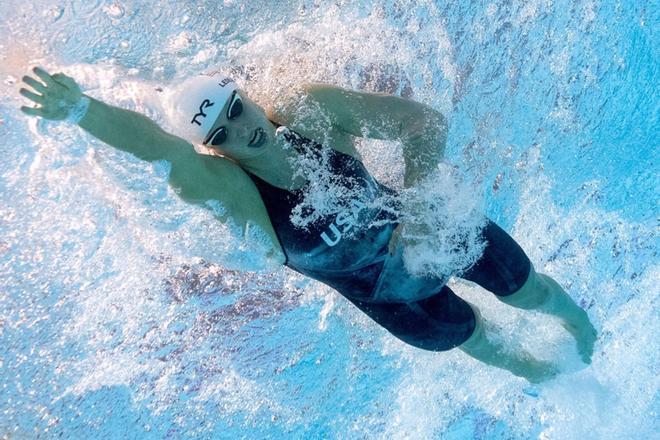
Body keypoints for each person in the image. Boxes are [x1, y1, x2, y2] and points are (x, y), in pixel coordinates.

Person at [19, 67, 597, 383]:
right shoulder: (234, 191)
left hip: (426, 232)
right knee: (484, 343)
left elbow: (422, 124)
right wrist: (80, 110)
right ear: (216, 152)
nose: (241, 132)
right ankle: (564, 383)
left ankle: (588, 337)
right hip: (389, 297)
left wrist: (419, 209)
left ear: (246, 96)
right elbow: (158, 149)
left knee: (535, 291)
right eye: (221, 136)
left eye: (236, 111)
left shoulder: (311, 113)